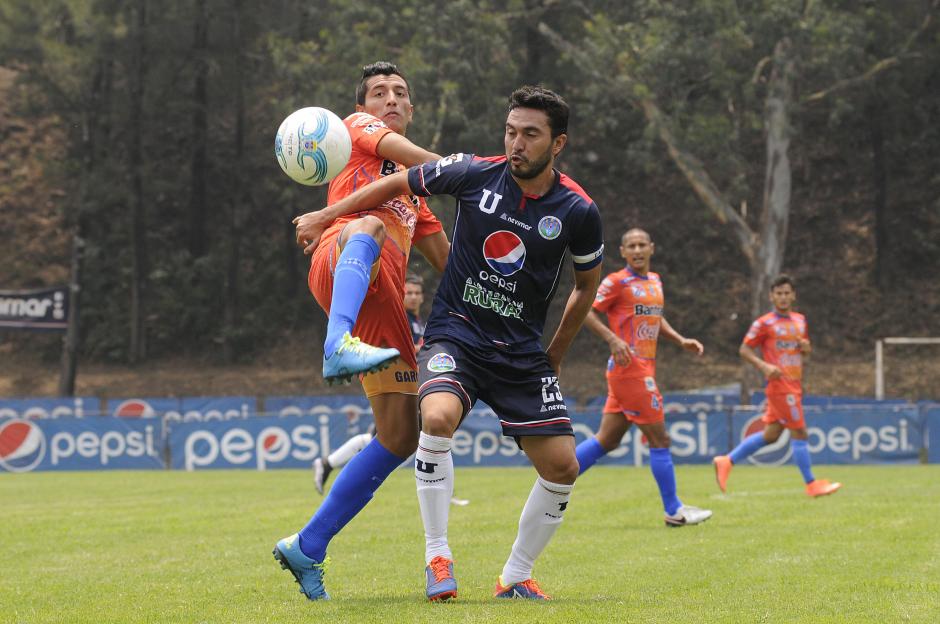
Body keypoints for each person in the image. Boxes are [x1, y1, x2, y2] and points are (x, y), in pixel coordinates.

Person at [296, 85, 604, 602]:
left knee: (563, 466)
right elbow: (394, 182)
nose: (517, 143)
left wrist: (554, 355)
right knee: (434, 419)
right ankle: (437, 556)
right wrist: (328, 216)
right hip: (456, 335)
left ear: (558, 144)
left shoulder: (577, 210)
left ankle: (515, 577)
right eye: (511, 131)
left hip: (522, 352)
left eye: (531, 134)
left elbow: (586, 285)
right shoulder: (474, 172)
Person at [273, 61, 450, 602]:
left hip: (384, 307)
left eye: (400, 92)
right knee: (370, 224)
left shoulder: (415, 201)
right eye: (379, 92)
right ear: (364, 106)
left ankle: (308, 545)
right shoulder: (356, 129)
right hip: (343, 255)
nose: (390, 98)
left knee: (398, 435)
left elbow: (452, 264)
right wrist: (478, 172)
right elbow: (429, 164)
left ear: (412, 108)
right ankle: (336, 342)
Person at [574, 228, 713, 527]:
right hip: (630, 369)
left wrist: (679, 340)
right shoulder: (616, 282)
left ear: (651, 248)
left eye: (641, 245)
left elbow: (655, 316)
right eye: (631, 246)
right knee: (660, 437)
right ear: (623, 252)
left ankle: (555, 478)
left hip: (642, 367)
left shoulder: (655, 281)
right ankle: (674, 510)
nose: (637, 250)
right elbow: (584, 310)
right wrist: (612, 339)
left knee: (607, 440)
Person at [313, 273, 470, 507]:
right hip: (398, 382)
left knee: (407, 436)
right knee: (396, 438)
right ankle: (328, 463)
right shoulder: (399, 318)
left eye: (418, 293)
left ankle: (328, 462)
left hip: (413, 382)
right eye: (409, 293)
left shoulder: (418, 321)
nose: (414, 297)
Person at [713, 274, 842, 497]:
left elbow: (804, 351)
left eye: (786, 293)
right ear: (772, 296)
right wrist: (763, 366)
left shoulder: (800, 320)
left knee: (771, 435)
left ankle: (727, 460)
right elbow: (744, 349)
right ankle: (812, 484)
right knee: (800, 432)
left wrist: (806, 348)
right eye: (778, 293)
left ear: (793, 295)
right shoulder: (764, 323)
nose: (783, 297)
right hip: (780, 386)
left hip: (794, 384)